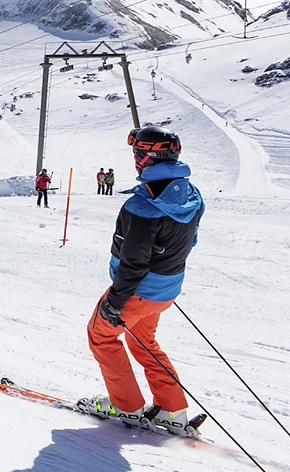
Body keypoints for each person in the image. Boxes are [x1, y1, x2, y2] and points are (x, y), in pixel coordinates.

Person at [81, 126, 205, 434]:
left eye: (137, 153)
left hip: (137, 292)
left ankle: (126, 406)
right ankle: (171, 409)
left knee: (101, 336)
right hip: (166, 289)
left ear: (146, 157)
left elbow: (133, 263)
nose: (134, 158)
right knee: (143, 341)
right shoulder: (190, 193)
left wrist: (115, 300)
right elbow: (190, 242)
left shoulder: (143, 206)